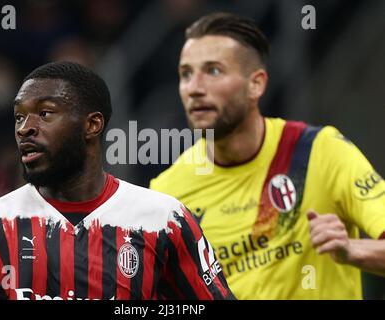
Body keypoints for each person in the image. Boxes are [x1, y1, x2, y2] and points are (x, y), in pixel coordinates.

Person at [0, 61, 234, 300]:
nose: (25, 129)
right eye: (19, 117)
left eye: (44, 113)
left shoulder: (162, 219)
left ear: (92, 125)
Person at [150, 12, 385, 299]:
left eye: (213, 71)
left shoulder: (320, 151)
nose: (195, 88)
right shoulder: (167, 194)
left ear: (256, 84)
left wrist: (353, 251)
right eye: (186, 74)